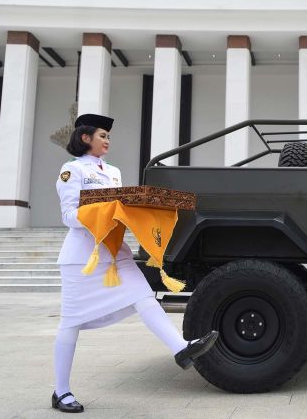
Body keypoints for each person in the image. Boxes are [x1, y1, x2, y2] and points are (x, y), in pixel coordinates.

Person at [52, 114, 218, 413]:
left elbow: (120, 207)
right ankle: (61, 391)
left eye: (109, 136)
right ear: (85, 137)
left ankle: (181, 349)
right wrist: (105, 211)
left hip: (116, 254)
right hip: (82, 258)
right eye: (102, 135)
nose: (107, 140)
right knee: (71, 322)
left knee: (144, 298)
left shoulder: (113, 172)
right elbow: (69, 216)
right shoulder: (71, 170)